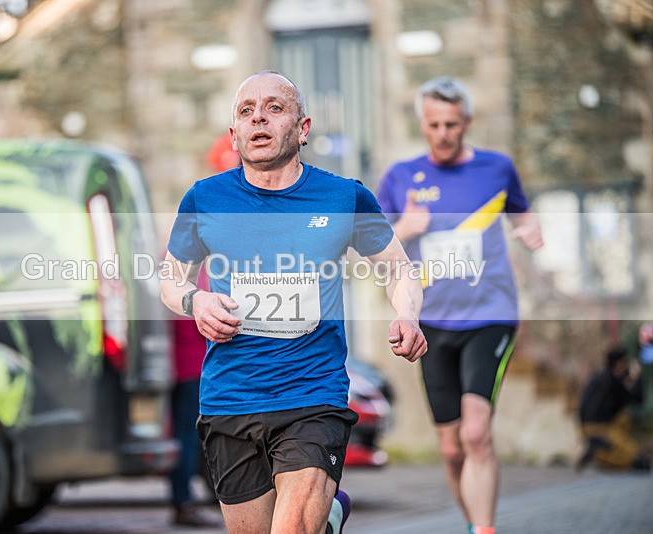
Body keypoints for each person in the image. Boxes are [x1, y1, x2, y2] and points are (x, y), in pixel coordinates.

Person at [160, 71, 427, 534]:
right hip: (231, 397)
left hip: (311, 394)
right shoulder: (205, 198)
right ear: (234, 134)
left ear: (303, 129)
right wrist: (194, 299)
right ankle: (330, 519)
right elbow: (170, 278)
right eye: (246, 111)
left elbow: (398, 267)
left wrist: (407, 313)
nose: (258, 117)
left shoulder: (343, 197)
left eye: (274, 107)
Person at [376, 77, 544, 534]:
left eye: (452, 123)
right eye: (434, 124)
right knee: (451, 449)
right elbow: (373, 247)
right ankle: (474, 524)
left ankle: (484, 530)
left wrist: (529, 230)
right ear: (422, 124)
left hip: (490, 315)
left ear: (467, 122)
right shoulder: (398, 178)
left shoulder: (496, 168)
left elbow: (521, 211)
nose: (444, 133)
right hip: (431, 322)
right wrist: (407, 228)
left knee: (476, 433)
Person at [168, 267, 223, 527]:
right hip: (192, 370)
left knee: (187, 438)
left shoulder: (167, 279)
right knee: (189, 439)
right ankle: (184, 502)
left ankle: (189, 499)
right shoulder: (195, 280)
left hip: (177, 369)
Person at [577, 342, 649, 472]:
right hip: (598, 428)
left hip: (587, 426)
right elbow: (636, 398)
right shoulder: (612, 381)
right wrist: (636, 377)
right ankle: (601, 449)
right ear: (619, 363)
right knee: (631, 452)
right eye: (625, 362)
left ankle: (599, 450)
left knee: (626, 418)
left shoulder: (600, 378)